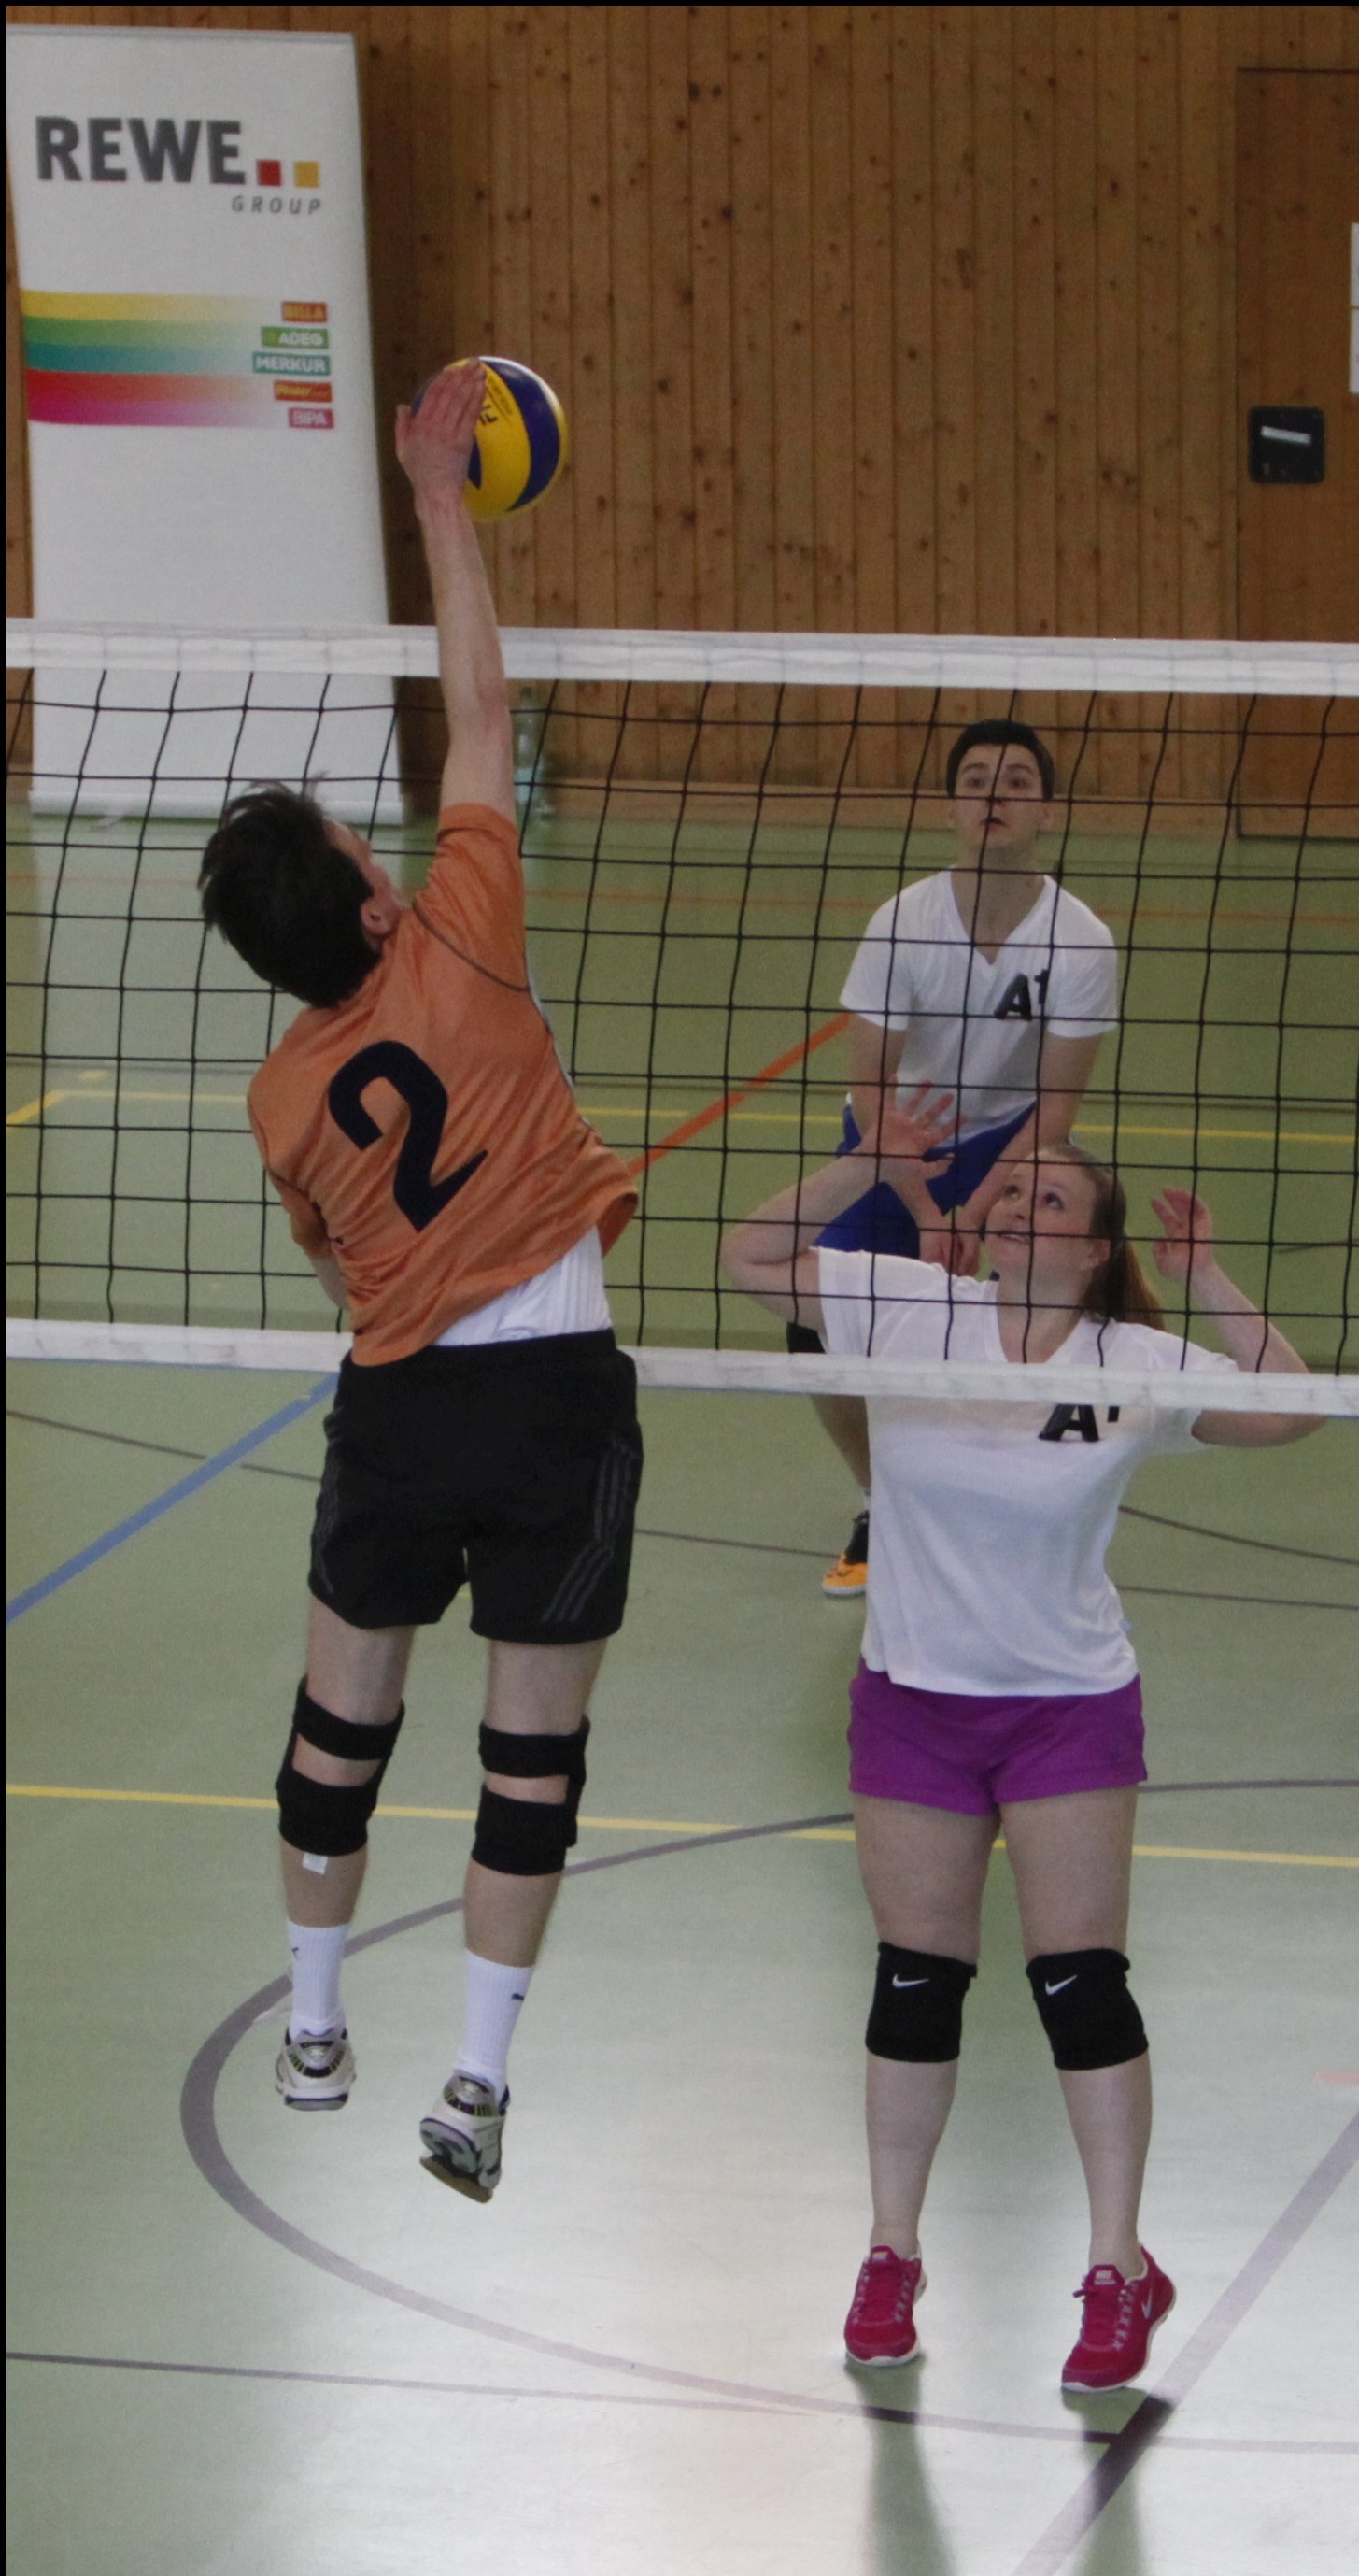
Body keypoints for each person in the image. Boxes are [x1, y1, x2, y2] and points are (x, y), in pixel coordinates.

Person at [198, 363, 642, 2203]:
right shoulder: (465, 926)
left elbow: (335, 1264)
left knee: (339, 1731)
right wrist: (440, 500)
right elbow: (480, 704)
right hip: (552, 1399)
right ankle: (475, 2082)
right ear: (376, 905)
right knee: (529, 1763)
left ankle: (312, 2029)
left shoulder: (280, 1098)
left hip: (398, 1405)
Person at [722, 1105, 1321, 2388]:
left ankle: (1114, 2266)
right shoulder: (903, 1306)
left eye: (1049, 1200)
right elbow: (747, 1257)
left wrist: (1206, 1276)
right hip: (913, 1701)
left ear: (1097, 1249)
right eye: (1007, 1194)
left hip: (1064, 1705)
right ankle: (890, 2252)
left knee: (1079, 1984)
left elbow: (1292, 1412)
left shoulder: (1132, 1359)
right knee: (914, 1982)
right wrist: (869, 1168)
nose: (1014, 1207)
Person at [806, 721, 1118, 1599]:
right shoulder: (901, 922)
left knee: (1005, 1323)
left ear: (1046, 811)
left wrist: (978, 1207)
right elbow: (868, 1082)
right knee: (815, 1321)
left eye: (1015, 782)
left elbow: (1056, 1105)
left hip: (1011, 1140)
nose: (993, 796)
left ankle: (1001, 1497)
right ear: (951, 807)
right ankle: (883, 1498)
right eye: (976, 780)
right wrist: (925, 1204)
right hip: (893, 1132)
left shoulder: (1081, 940)